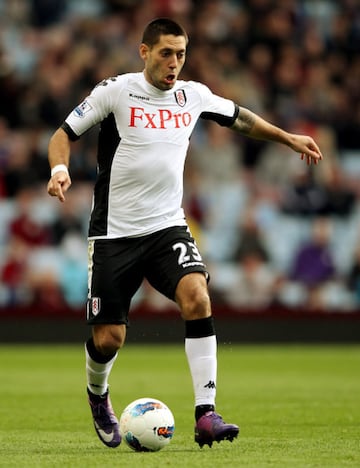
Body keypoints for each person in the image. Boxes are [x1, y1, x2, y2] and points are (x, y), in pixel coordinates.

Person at [47, 18, 323, 449]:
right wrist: (59, 170)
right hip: (113, 235)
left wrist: (288, 138)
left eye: (181, 54)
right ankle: (98, 395)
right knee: (109, 338)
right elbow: (63, 135)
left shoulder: (191, 95)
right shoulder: (116, 91)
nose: (174, 62)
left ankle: (206, 414)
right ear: (144, 52)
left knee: (197, 295)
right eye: (165, 53)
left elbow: (241, 118)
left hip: (166, 227)